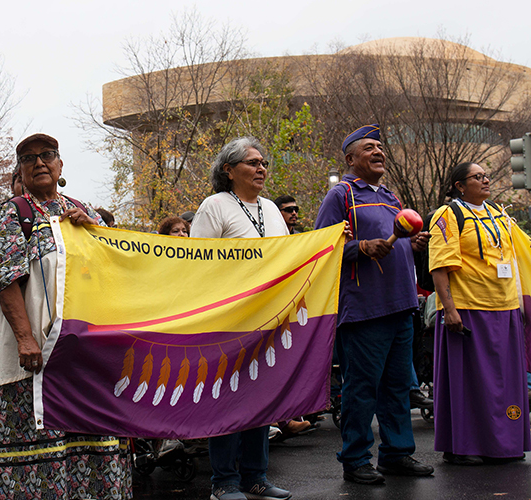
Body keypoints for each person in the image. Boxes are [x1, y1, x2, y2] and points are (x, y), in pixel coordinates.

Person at [0, 133, 131, 500]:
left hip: (83, 354)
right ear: (20, 170)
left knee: (92, 442)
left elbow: (115, 270)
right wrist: (25, 337)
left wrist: (93, 233)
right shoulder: (11, 214)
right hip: (31, 353)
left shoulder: (86, 213)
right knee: (33, 441)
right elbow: (2, 278)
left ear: (61, 166)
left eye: (47, 155)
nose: (39, 162)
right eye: (29, 158)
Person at [315, 124, 434, 484]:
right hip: (365, 310)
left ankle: (397, 454)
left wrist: (411, 246)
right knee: (361, 389)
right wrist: (360, 248)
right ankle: (355, 459)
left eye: (380, 148)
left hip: (402, 305)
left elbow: (395, 240)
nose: (378, 152)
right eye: (369, 148)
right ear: (350, 158)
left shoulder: (392, 197)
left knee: (398, 387)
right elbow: (323, 248)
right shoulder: (341, 195)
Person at [191, 137, 291, 500]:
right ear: (229, 170)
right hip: (229, 320)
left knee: (261, 397)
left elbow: (288, 257)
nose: (261, 168)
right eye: (252, 162)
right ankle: (224, 482)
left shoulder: (271, 209)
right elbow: (198, 264)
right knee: (228, 399)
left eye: (263, 162)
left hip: (269, 318)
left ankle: (256, 477)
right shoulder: (214, 206)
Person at [429, 162, 531, 465]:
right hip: (468, 310)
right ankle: (462, 447)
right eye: (478, 177)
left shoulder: (500, 214)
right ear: (460, 186)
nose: (486, 180)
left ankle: (505, 445)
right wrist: (450, 309)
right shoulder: (448, 215)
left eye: (487, 175)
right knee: (469, 384)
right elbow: (439, 267)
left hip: (506, 309)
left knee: (505, 383)